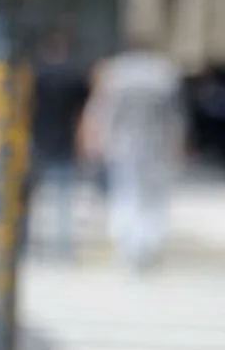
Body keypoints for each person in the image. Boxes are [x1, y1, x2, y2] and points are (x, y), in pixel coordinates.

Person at [79, 38, 188, 271]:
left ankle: (129, 246)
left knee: (126, 193)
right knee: (152, 198)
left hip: (123, 145)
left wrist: (95, 141)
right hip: (156, 146)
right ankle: (146, 244)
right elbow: (176, 118)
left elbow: (100, 112)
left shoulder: (116, 73)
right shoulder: (163, 74)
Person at [24, 28, 89, 260]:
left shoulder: (35, 75)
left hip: (36, 140)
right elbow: (82, 113)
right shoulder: (74, 76)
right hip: (64, 142)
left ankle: (23, 244)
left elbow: (24, 109)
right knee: (63, 200)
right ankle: (63, 249)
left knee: (27, 199)